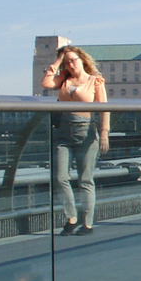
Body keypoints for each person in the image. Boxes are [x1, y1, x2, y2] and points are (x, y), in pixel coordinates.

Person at [40, 45, 109, 235]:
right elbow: (46, 83)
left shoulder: (95, 81)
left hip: (85, 131)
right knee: (60, 177)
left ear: (82, 59)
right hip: (62, 131)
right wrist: (57, 61)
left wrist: (104, 132)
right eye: (67, 61)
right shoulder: (64, 79)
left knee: (85, 179)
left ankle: (87, 224)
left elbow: (104, 108)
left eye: (73, 60)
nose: (70, 64)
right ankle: (71, 217)